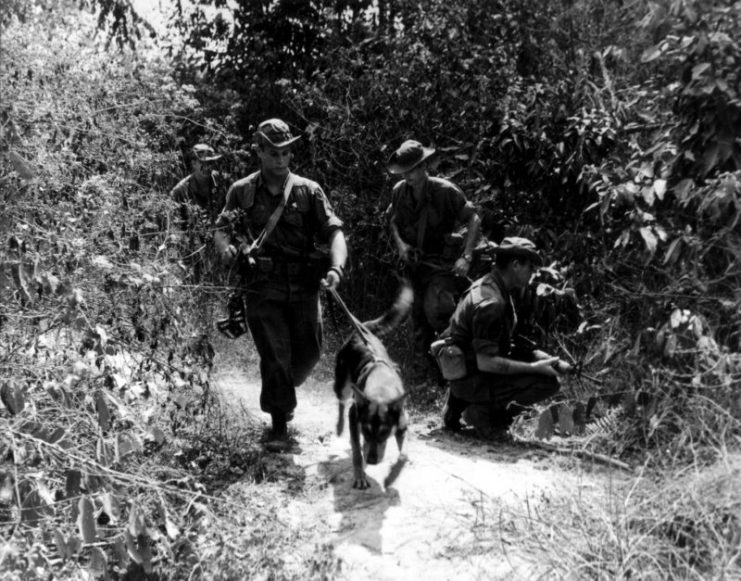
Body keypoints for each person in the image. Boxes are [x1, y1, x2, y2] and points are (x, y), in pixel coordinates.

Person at [214, 119, 348, 451]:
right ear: (259, 152)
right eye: (273, 153)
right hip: (262, 286)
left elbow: (335, 233)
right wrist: (226, 248)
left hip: (303, 287)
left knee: (309, 355)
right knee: (275, 353)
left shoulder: (308, 190)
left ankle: (283, 390)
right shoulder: (242, 191)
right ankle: (277, 422)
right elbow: (221, 228)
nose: (281, 160)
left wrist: (337, 268)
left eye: (286, 153)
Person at [439, 237, 572, 439]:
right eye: (531, 267)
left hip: (465, 371)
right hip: (473, 375)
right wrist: (534, 368)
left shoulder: (490, 285)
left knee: (540, 369)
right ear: (516, 265)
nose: (533, 273)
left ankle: (458, 405)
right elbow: (486, 362)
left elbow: (502, 342)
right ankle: (483, 415)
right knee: (548, 382)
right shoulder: (492, 302)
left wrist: (544, 357)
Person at [386, 139, 481, 377]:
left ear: (424, 166)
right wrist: (401, 246)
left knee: (437, 310)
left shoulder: (445, 191)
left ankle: (461, 368)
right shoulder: (399, 192)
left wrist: (466, 257)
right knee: (416, 319)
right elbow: (392, 221)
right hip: (414, 266)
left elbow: (474, 219)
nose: (408, 175)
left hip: (441, 266)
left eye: (413, 169)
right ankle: (427, 377)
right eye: (404, 170)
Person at [171, 143, 225, 226]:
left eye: (210, 163)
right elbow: (175, 223)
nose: (207, 167)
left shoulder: (220, 180)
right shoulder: (180, 190)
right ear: (194, 163)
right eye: (203, 163)